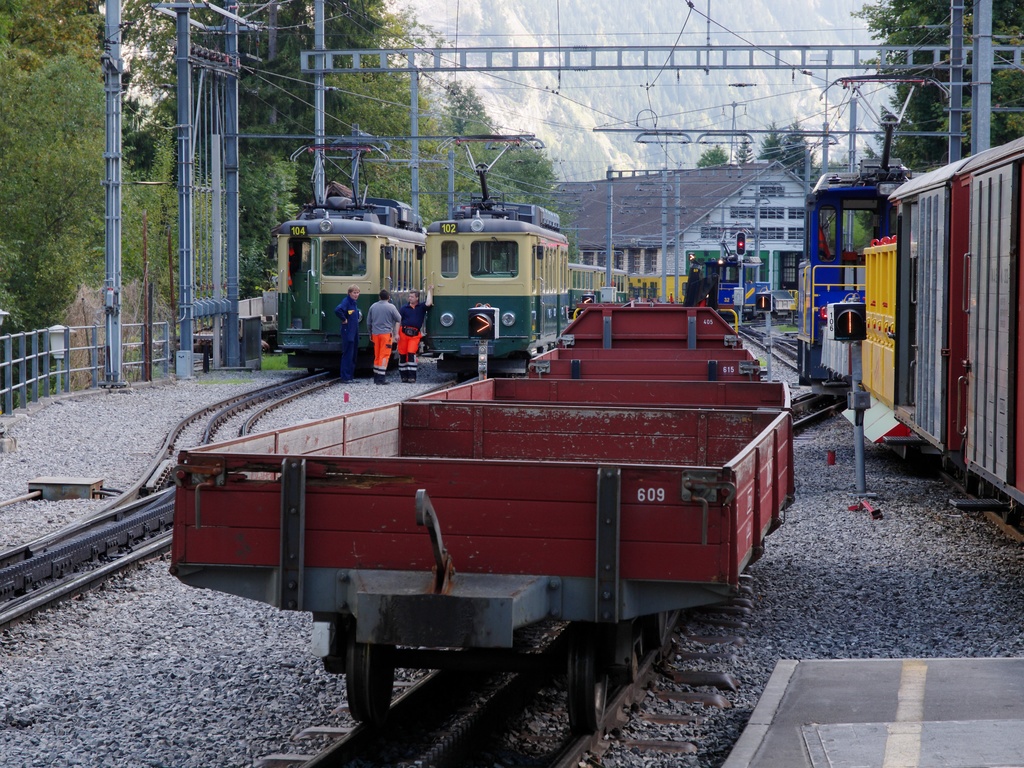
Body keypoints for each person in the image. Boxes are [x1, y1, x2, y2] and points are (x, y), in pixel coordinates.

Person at [365, 289, 402, 385]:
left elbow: (368, 322)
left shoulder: (373, 306)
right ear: (389, 297)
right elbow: (398, 318)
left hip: (375, 334)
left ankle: (376, 377)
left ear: (379, 297)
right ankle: (381, 378)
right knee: (384, 355)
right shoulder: (391, 307)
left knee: (377, 355)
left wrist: (370, 333)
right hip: (386, 334)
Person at [397, 286, 433, 383]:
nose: (410, 298)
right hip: (403, 333)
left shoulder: (421, 307)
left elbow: (429, 302)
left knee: (411, 354)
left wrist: (430, 291)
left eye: (412, 297)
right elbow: (398, 321)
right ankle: (404, 377)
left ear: (417, 298)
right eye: (409, 296)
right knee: (403, 355)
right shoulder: (404, 308)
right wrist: (396, 334)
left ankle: (412, 377)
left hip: (414, 334)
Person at [333, 285, 362, 382]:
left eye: (357, 293)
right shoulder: (346, 302)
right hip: (348, 331)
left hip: (354, 331)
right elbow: (337, 310)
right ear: (349, 293)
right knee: (348, 353)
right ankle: (345, 377)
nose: (356, 295)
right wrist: (344, 319)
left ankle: (350, 376)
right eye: (354, 293)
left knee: (353, 353)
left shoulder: (354, 303)